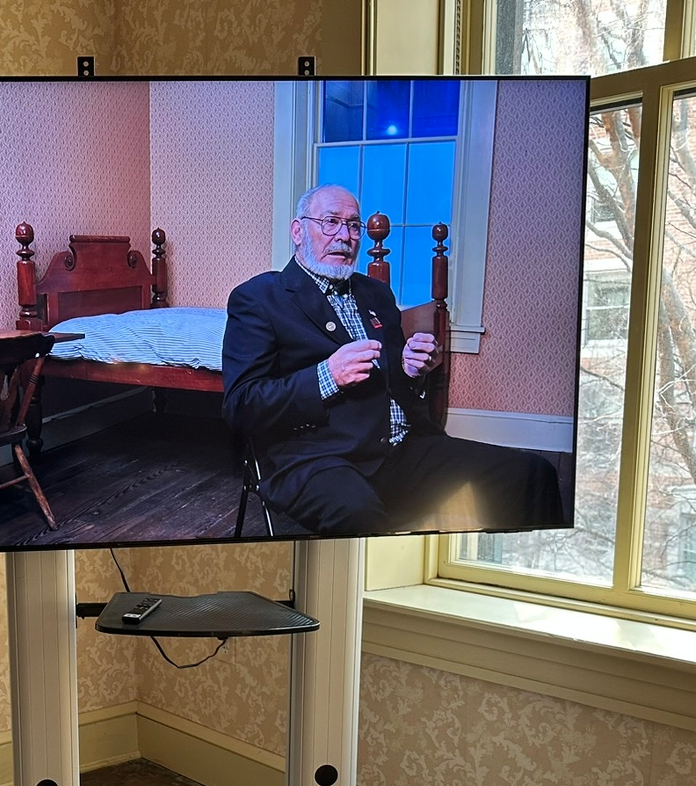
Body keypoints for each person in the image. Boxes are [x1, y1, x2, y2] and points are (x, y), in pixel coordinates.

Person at [222, 185, 565, 536]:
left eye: (354, 225)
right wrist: (327, 375)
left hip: (401, 448)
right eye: (330, 222)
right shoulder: (260, 298)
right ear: (298, 231)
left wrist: (411, 367)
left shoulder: (376, 293)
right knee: (359, 517)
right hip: (317, 458)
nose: (345, 236)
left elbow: (394, 374)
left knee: (532, 473)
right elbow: (240, 406)